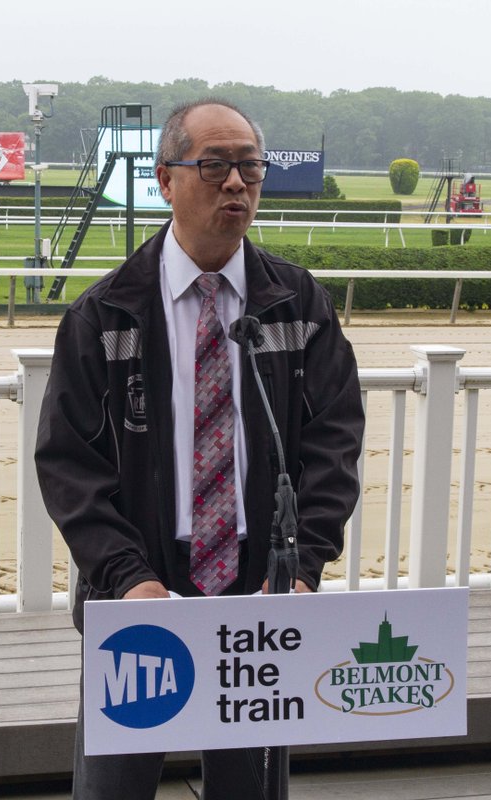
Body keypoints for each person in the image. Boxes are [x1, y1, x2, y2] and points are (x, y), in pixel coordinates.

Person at [35, 99, 365, 799]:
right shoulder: (103, 314)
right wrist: (128, 578)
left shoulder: (298, 304)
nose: (236, 184)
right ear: (166, 179)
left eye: (250, 167)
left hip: (260, 593)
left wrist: (301, 566)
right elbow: (68, 466)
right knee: (114, 789)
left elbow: (334, 444)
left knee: (251, 788)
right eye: (214, 166)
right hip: (138, 595)